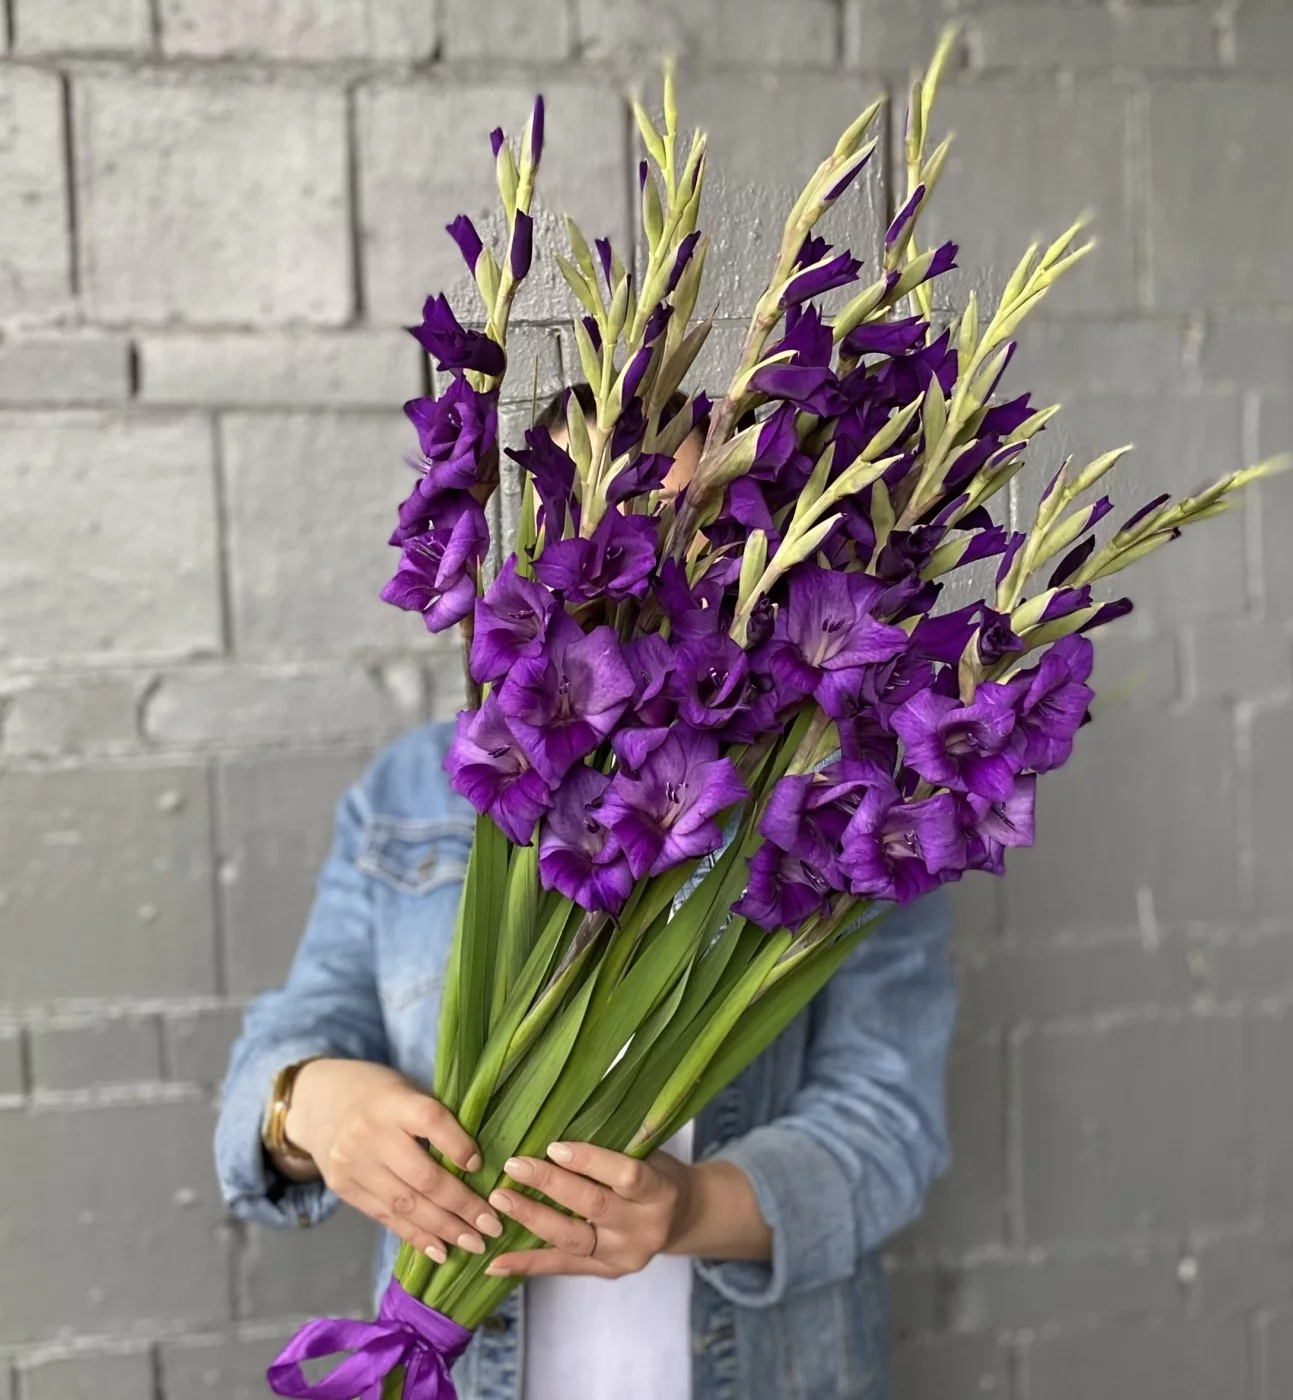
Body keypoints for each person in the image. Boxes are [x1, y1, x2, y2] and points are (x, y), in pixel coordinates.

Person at [214, 385, 958, 1400]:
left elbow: (889, 1125)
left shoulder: (841, 809)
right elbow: (288, 1037)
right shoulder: (417, 790)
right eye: (600, 528)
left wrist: (690, 1208)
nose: (649, 575)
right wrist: (312, 1103)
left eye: (692, 534)